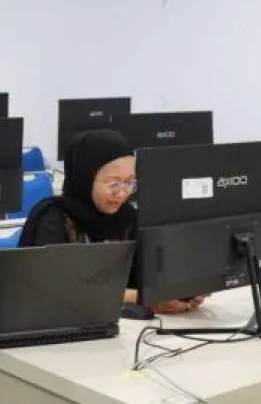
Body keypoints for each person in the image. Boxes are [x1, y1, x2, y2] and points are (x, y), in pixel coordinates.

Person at [18, 129, 206, 315]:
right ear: (86, 178)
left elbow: (147, 275)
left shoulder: (127, 217)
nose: (123, 193)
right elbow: (56, 291)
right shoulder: (53, 218)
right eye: (113, 183)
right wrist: (141, 297)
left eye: (130, 182)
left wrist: (182, 291)